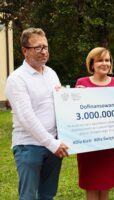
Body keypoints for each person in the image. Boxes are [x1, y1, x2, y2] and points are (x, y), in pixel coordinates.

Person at [5, 27, 69, 199]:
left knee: (48, 195)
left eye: (46, 47)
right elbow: (26, 117)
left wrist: (75, 96)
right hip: (29, 146)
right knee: (28, 196)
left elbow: (59, 104)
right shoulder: (17, 79)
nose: (44, 52)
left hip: (53, 145)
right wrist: (52, 143)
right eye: (38, 47)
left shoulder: (51, 73)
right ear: (25, 51)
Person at [75, 47, 114, 200]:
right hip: (88, 145)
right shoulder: (82, 83)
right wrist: (75, 96)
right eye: (100, 60)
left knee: (106, 185)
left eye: (107, 60)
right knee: (91, 186)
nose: (105, 63)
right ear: (92, 64)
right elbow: (74, 113)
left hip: (109, 145)